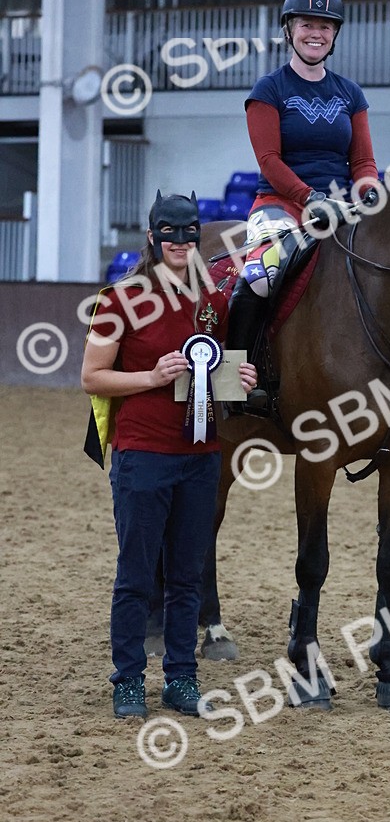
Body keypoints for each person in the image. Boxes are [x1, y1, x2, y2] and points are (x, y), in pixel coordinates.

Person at [81, 192, 257, 719]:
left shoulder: (212, 300)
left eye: (189, 232)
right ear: (153, 237)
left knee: (186, 576)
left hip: (201, 456)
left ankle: (182, 678)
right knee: (136, 574)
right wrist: (149, 377)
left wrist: (237, 379)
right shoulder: (118, 300)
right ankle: (128, 681)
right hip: (141, 455)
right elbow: (91, 376)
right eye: (171, 232)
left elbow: (208, 371)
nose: (181, 242)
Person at [227, 0, 381, 386]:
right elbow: (269, 160)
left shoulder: (351, 94)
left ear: (335, 36)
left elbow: (363, 161)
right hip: (281, 203)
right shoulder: (268, 89)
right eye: (307, 24)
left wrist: (368, 189)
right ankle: (231, 380)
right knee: (257, 278)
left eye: (326, 26)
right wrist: (310, 198)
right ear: (289, 29)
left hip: (340, 206)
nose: (316, 33)